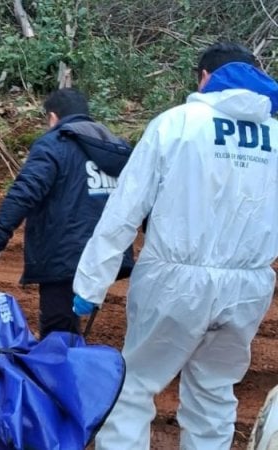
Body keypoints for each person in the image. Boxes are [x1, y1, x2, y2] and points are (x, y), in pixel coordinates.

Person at [72, 42, 278, 450]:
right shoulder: (274, 136)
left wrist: (90, 284)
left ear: (205, 77)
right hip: (247, 288)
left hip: (174, 282)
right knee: (213, 394)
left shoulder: (176, 124)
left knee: (133, 386)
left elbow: (125, 210)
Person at [0, 88, 133, 338]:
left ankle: (61, 361)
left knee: (57, 333)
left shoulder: (54, 144)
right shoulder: (116, 147)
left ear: (52, 117)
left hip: (64, 254)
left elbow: (24, 192)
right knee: (71, 328)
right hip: (107, 254)